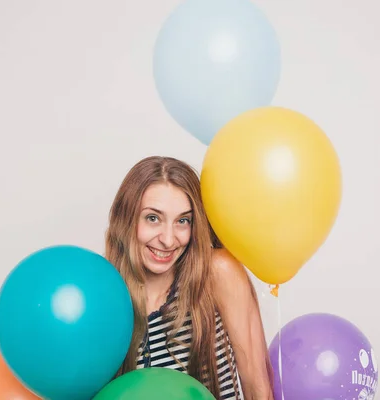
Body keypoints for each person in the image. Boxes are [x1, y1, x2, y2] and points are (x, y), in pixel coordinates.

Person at [105, 156, 274, 399]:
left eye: (183, 221)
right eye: (153, 218)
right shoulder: (104, 296)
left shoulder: (217, 273)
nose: (168, 239)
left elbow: (258, 388)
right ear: (127, 218)